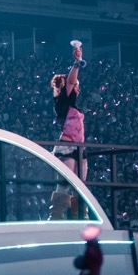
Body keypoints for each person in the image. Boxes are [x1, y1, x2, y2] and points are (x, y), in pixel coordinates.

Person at [51, 40, 87, 180]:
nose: (77, 86)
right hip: (67, 145)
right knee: (67, 184)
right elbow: (71, 81)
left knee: (81, 186)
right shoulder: (62, 101)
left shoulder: (72, 105)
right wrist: (77, 63)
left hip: (80, 146)